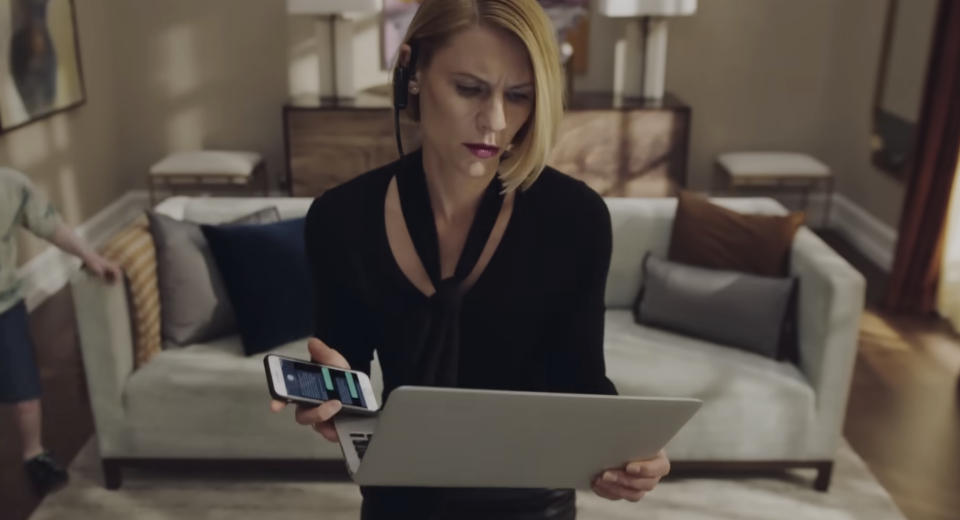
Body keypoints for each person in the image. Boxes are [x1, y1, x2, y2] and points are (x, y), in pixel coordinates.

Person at [272, 0, 671, 517]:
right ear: (411, 73)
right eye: (469, 88)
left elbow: (581, 379)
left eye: (520, 96)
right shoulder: (340, 217)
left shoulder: (575, 217)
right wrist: (330, 401)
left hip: (532, 504)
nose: (496, 121)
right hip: (399, 502)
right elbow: (345, 373)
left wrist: (626, 451)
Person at [0, 166, 122, 495]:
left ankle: (33, 455)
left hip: (4, 308)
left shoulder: (11, 186)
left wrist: (89, 255)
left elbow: (50, 224)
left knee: (25, 394)